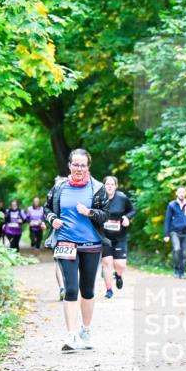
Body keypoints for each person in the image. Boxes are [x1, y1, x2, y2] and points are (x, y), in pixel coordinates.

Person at [44, 150, 110, 352]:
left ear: (88, 167)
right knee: (71, 289)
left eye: (83, 165)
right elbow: (47, 209)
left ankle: (85, 330)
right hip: (66, 242)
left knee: (87, 290)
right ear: (69, 166)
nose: (79, 169)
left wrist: (90, 212)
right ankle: (71, 334)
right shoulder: (59, 187)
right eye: (76, 165)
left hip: (91, 244)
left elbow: (106, 215)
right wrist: (53, 220)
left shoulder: (98, 188)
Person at [99, 176, 136, 299]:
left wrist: (127, 217)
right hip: (104, 236)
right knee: (106, 262)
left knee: (120, 265)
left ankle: (118, 275)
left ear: (116, 186)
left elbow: (132, 210)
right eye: (107, 184)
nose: (109, 186)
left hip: (120, 236)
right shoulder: (98, 199)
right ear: (103, 186)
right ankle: (109, 290)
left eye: (112, 184)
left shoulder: (122, 198)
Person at [163, 186, 186, 279]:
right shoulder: (171, 205)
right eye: (180, 192)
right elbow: (167, 220)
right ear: (176, 193)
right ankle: (176, 270)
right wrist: (166, 234)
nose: (182, 193)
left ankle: (182, 272)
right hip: (175, 231)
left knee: (184, 253)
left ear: (185, 193)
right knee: (177, 249)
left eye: (183, 192)